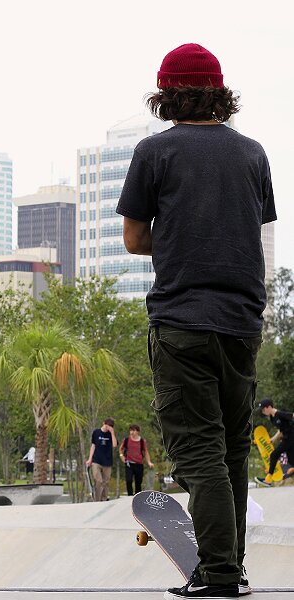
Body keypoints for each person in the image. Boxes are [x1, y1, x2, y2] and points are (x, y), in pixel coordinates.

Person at [117, 43, 275, 599]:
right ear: (219, 94)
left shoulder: (154, 152)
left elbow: (135, 239)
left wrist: (179, 235)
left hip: (182, 321)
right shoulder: (253, 154)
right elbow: (248, 227)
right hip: (242, 322)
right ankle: (230, 565)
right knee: (231, 450)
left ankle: (220, 576)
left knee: (201, 453)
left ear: (166, 95)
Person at [255, 399, 294, 486]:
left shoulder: (280, 414)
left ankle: (268, 480)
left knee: (274, 454)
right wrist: (273, 439)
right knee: (291, 460)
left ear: (269, 407)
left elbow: (292, 416)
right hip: (286, 438)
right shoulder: (273, 418)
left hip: (291, 438)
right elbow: (281, 429)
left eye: (263, 409)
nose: (263, 412)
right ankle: (268, 479)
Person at [86, 418, 117, 501]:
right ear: (103, 423)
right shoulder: (96, 432)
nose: (108, 428)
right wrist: (90, 459)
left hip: (107, 461)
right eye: (107, 425)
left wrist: (112, 433)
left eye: (110, 426)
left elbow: (114, 445)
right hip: (97, 460)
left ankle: (104, 498)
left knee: (105, 482)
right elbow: (93, 446)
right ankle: (97, 499)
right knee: (98, 480)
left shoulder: (111, 434)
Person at [119, 425, 155, 496]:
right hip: (129, 463)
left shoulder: (142, 441)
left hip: (139, 464)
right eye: (131, 430)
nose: (132, 432)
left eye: (133, 430)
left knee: (138, 483)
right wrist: (122, 456)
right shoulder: (126, 440)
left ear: (137, 431)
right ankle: (130, 496)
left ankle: (137, 497)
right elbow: (121, 449)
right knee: (129, 480)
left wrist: (149, 462)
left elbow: (146, 452)